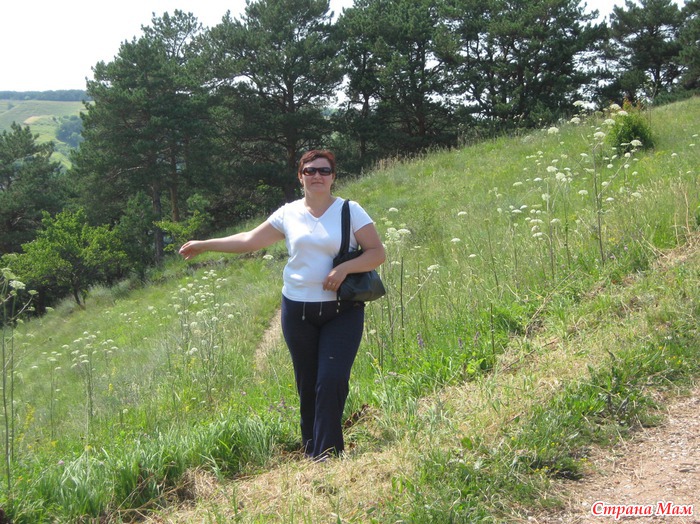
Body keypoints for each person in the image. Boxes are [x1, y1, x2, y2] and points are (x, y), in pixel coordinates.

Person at [179, 150, 385, 460]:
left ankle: (327, 453)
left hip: (342, 311)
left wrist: (344, 269)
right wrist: (204, 245)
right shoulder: (288, 213)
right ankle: (311, 448)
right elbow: (249, 240)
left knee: (331, 380)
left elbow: (377, 253)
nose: (317, 176)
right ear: (300, 176)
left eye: (324, 171)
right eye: (310, 170)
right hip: (297, 311)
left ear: (333, 176)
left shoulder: (350, 211)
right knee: (307, 382)